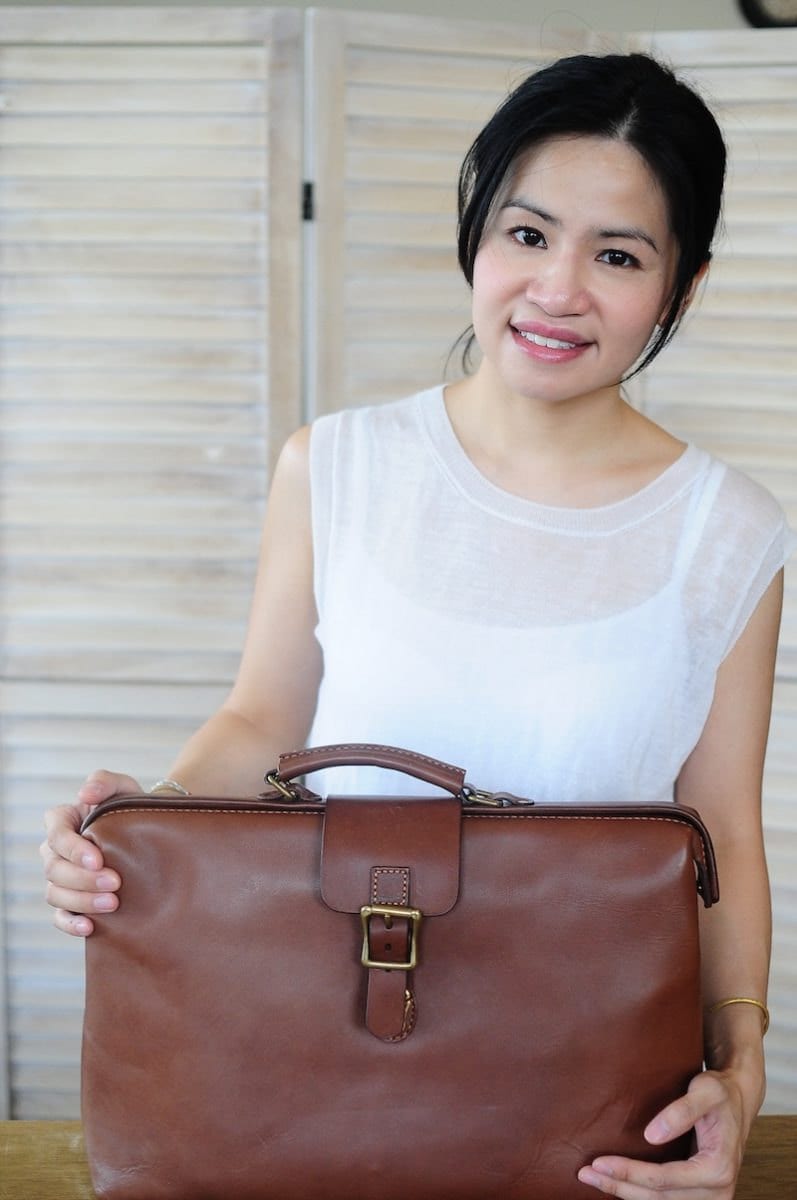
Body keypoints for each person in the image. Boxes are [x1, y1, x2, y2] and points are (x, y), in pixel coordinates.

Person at [41, 52, 793, 1199]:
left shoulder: (728, 530)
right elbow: (259, 721)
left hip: (588, 1090)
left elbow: (721, 830)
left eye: (617, 256)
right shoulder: (335, 465)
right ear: (474, 235)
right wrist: (136, 834)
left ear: (679, 288)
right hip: (313, 1050)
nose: (555, 291)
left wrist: (740, 1068)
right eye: (527, 234)